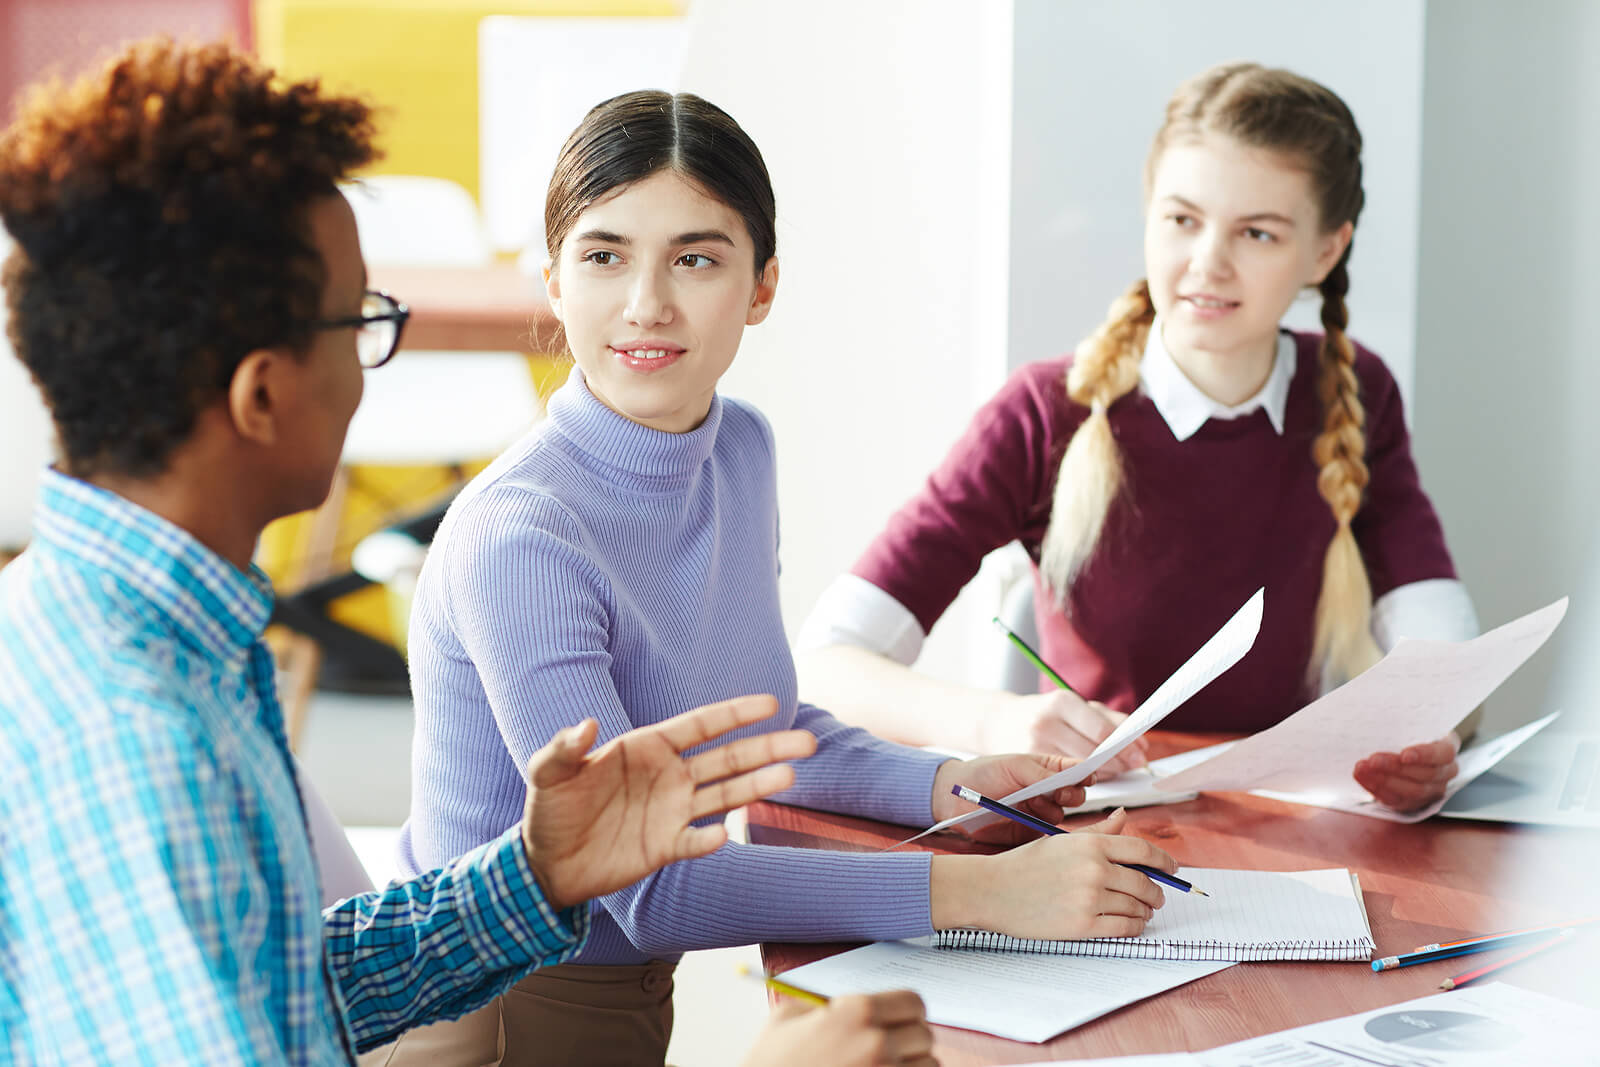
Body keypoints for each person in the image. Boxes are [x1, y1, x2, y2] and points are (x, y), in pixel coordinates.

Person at [0, 39, 887, 1067]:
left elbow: (286, 980)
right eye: (359, 324)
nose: (370, 370)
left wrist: (535, 872)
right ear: (263, 393)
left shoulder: (93, 617)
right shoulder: (145, 739)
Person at [394, 89, 1179, 1065]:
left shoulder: (738, 450)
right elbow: (645, 884)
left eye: (695, 257)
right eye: (604, 255)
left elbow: (758, 731)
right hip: (491, 1015)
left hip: (624, 995)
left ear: (761, 286)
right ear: (552, 279)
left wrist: (950, 783)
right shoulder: (522, 536)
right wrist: (984, 895)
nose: (647, 302)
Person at [796, 62, 1479, 814]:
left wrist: (1433, 730)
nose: (1207, 263)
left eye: (1257, 233)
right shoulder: (1042, 413)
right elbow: (826, 661)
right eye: (1182, 220)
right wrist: (996, 718)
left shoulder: (1355, 393)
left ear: (1325, 252)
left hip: (1291, 829)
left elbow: (1443, 648)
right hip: (1099, 835)